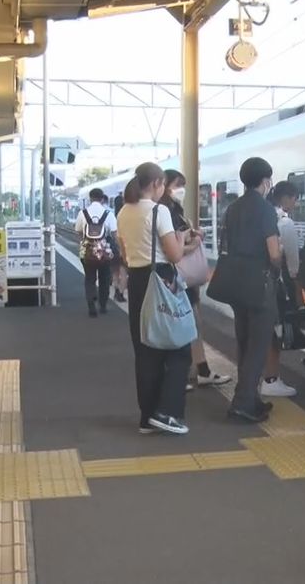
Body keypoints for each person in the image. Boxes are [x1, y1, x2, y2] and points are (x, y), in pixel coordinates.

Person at [116, 163, 193, 435]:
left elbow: (124, 254)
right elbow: (174, 255)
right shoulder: (159, 211)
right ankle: (168, 412)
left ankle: (147, 418)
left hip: (137, 281)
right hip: (161, 280)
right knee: (179, 347)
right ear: (158, 183)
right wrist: (182, 238)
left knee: (145, 350)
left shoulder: (124, 211)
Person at [220, 157, 283, 423]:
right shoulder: (266, 209)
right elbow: (273, 251)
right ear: (266, 181)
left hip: (236, 283)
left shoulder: (232, 208)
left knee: (245, 342)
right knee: (258, 345)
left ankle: (251, 398)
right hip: (259, 284)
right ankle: (243, 402)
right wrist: (278, 268)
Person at [157, 169, 232, 391]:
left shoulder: (173, 211)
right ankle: (181, 374)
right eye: (177, 185)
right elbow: (173, 249)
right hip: (176, 275)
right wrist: (194, 242)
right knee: (184, 325)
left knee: (193, 324)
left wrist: (191, 236)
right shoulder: (165, 212)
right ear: (165, 185)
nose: (181, 190)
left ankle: (201, 370)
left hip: (182, 278)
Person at [261, 181, 301, 398]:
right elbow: (292, 265)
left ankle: (262, 378)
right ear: (285, 198)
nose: (295, 203)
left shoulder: (261, 216)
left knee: (259, 332)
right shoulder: (285, 223)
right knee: (275, 333)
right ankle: (271, 378)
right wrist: (298, 292)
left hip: (255, 283)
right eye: (294, 198)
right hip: (277, 284)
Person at [74, 188, 117, 317]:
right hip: (104, 251)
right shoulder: (108, 213)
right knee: (104, 278)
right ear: (102, 198)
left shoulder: (83, 213)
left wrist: (84, 243)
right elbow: (115, 233)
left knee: (90, 278)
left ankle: (91, 304)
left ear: (90, 198)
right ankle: (103, 305)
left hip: (87, 251)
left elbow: (79, 231)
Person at [111, 191, 128, 303]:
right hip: (123, 248)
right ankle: (120, 293)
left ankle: (116, 288)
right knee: (124, 273)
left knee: (115, 272)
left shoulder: (114, 216)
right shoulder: (126, 215)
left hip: (113, 249)